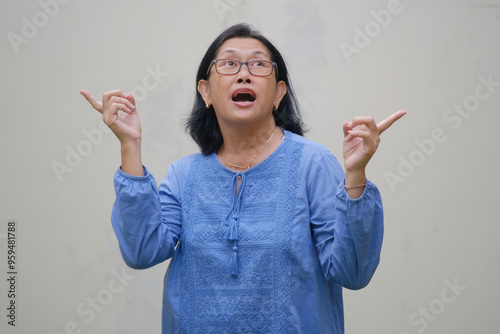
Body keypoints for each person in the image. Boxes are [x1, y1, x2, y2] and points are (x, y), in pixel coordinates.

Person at [81, 23, 405, 334]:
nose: (244, 74)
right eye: (229, 64)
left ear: (279, 94)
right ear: (205, 92)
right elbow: (141, 251)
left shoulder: (312, 163)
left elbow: (353, 271)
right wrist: (130, 144)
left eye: (259, 65)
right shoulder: (185, 175)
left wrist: (356, 173)